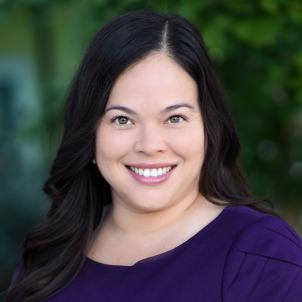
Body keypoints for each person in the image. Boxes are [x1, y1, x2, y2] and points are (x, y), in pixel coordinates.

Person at [5, 9, 302, 302]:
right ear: (90, 132)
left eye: (174, 118)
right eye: (122, 120)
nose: (150, 145)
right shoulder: (49, 256)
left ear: (209, 128)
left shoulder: (264, 257)